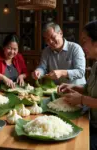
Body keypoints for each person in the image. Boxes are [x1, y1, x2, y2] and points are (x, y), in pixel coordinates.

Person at [58, 20, 97, 150]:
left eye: (85, 41)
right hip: (91, 123)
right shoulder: (96, 65)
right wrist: (73, 87)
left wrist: (81, 99)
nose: (83, 45)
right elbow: (89, 90)